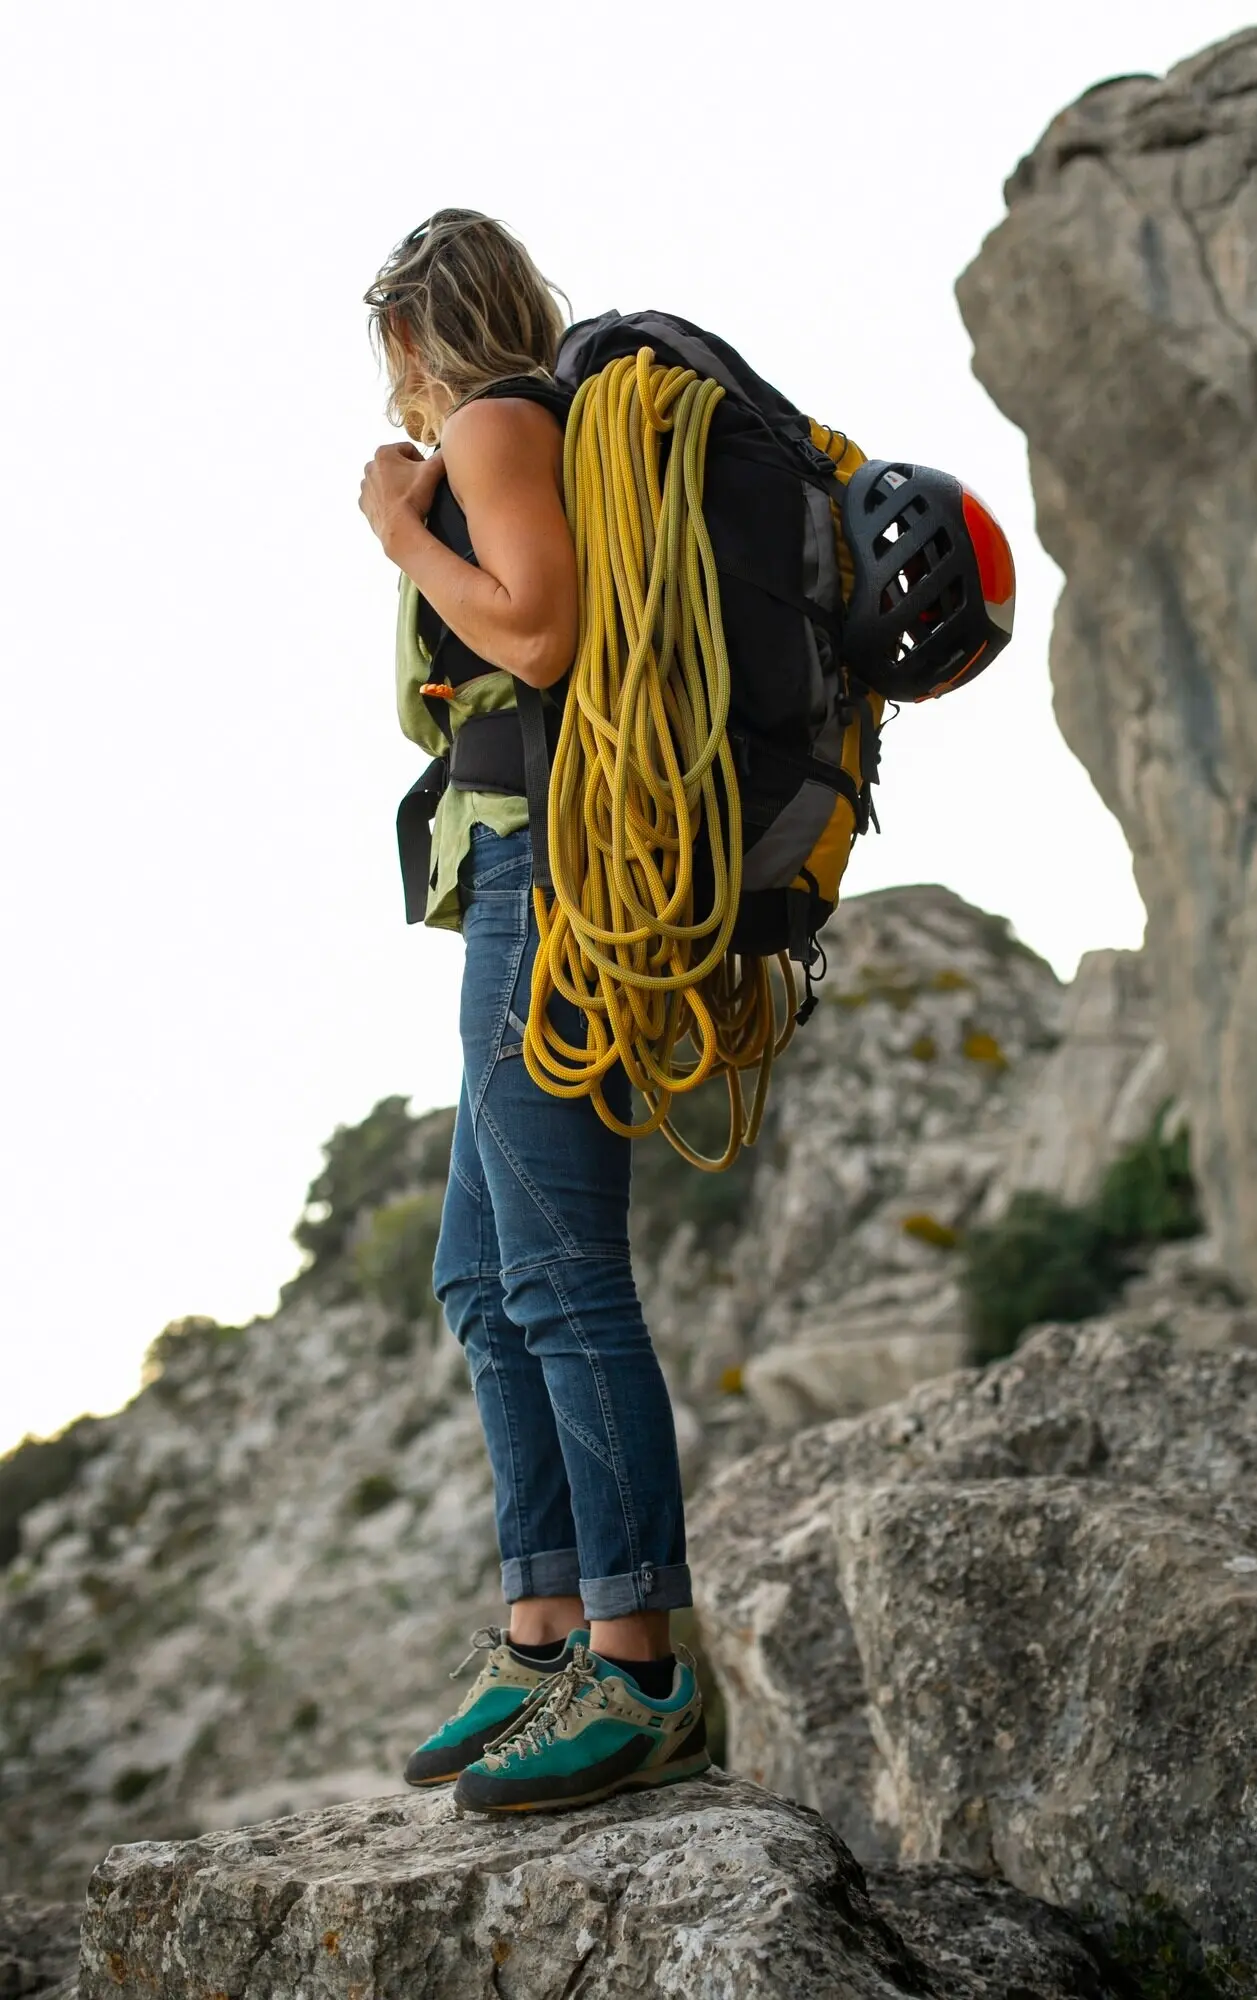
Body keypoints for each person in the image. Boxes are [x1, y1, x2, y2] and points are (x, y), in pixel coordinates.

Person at [357, 210, 708, 1814]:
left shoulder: (502, 419)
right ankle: (546, 1622)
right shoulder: (519, 428)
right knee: (482, 1278)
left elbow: (542, 626)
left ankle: (638, 1666)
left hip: (545, 879)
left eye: (394, 362)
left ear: (420, 342)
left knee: (559, 1279)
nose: (401, 398)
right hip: (517, 870)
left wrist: (404, 537)